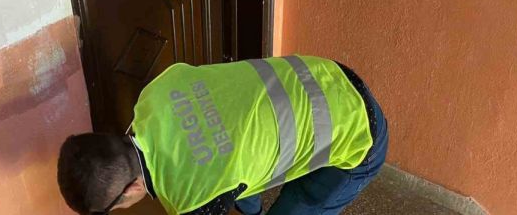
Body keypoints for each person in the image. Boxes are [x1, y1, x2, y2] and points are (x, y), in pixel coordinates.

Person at [57, 56, 388, 215]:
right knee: (233, 169)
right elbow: (226, 167)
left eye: (114, 208)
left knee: (301, 202)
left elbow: (213, 181)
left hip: (360, 135)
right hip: (327, 74)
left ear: (130, 190)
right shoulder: (152, 95)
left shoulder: (190, 198)